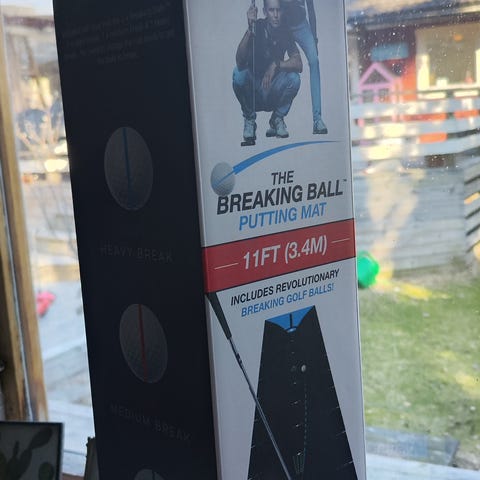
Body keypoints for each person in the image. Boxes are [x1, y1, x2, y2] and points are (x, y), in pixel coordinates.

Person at [233, 0, 302, 143]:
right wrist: (249, 30)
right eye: (271, 10)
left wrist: (276, 64)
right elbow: (239, 62)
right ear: (265, 12)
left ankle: (277, 118)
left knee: (294, 78)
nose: (275, 15)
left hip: (273, 92)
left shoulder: (285, 31)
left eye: (278, 10)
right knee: (238, 75)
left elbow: (298, 63)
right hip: (254, 95)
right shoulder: (257, 27)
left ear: (283, 11)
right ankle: (249, 120)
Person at [281, 0, 328, 134]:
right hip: (283, 26)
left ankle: (317, 119)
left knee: (314, 62)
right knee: (278, 62)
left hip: (302, 25)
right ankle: (277, 119)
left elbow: (311, 9)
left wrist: (315, 38)